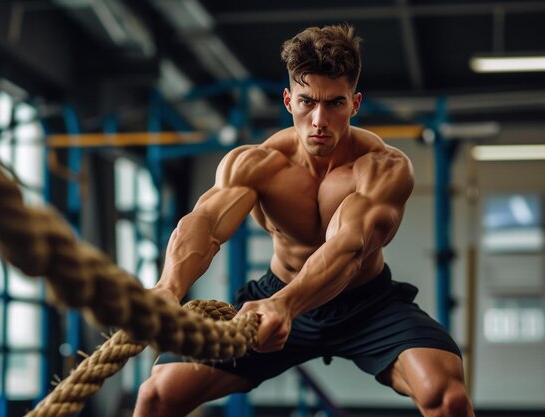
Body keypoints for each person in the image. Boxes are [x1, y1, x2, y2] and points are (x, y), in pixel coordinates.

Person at [134, 24, 474, 417]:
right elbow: (206, 222)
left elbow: (348, 249)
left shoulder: (382, 168)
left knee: (446, 397)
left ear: (356, 103)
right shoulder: (258, 163)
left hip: (365, 304)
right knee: (157, 396)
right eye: (307, 102)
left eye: (335, 103)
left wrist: (285, 305)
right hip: (277, 290)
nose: (319, 119)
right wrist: (167, 287)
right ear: (287, 99)